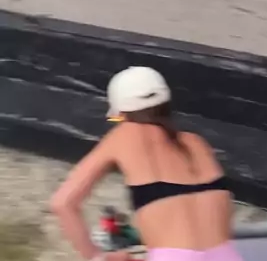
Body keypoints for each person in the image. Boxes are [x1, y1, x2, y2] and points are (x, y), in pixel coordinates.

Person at [50, 66, 242, 261]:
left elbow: (62, 203)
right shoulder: (197, 143)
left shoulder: (124, 135)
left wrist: (97, 258)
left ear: (122, 111)